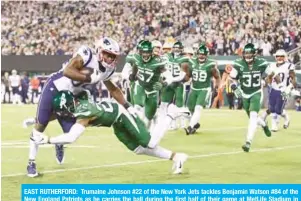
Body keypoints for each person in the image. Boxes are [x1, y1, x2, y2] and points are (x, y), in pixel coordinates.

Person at [25, 37, 139, 177]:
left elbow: (113, 90)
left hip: (73, 96)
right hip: (55, 87)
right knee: (40, 125)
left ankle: (58, 143)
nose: (110, 58)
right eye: (107, 54)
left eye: (113, 56)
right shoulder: (87, 54)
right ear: (99, 51)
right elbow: (67, 71)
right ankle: (31, 162)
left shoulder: (107, 70)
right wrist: (88, 78)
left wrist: (128, 106)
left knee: (70, 133)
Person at [31, 91, 189, 175]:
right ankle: (177, 158)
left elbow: (71, 137)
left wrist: (48, 140)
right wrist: (35, 120)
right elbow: (63, 117)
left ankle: (170, 114)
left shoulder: (83, 112)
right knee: (138, 149)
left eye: (62, 110)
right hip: (115, 122)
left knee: (149, 143)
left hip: (121, 115)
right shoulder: (79, 104)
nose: (62, 113)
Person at [229, 43, 272, 152]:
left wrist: (266, 80)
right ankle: (264, 124)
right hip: (244, 93)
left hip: (256, 92)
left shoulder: (261, 63)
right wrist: (235, 87)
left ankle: (248, 142)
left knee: (253, 116)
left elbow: (271, 74)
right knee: (253, 118)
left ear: (254, 53)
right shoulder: (238, 63)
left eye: (249, 53)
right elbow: (231, 79)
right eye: (246, 53)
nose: (247, 56)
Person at [185, 44, 221, 135]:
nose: (201, 56)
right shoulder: (192, 62)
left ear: (206, 55)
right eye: (200, 54)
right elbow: (188, 75)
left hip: (204, 89)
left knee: (198, 108)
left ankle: (190, 127)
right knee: (190, 108)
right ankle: (195, 124)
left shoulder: (210, 64)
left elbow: (217, 77)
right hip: (194, 88)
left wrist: (217, 87)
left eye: (203, 54)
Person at [260, 49, 296, 131]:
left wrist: (289, 88)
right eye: (278, 56)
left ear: (285, 57)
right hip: (273, 88)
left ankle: (274, 125)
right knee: (272, 108)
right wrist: (265, 82)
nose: (279, 58)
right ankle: (287, 117)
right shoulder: (271, 65)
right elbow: (269, 77)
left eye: (281, 56)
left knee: (278, 109)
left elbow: (294, 79)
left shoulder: (289, 66)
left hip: (284, 90)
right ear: (275, 57)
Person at [160, 41, 190, 130]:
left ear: (182, 49)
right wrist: (166, 78)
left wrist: (171, 79)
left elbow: (182, 75)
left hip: (178, 83)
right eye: (175, 48)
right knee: (164, 104)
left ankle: (182, 122)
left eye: (178, 48)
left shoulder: (185, 59)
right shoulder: (166, 57)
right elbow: (161, 69)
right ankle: (166, 123)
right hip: (168, 83)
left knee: (179, 105)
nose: (176, 50)